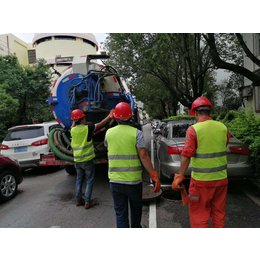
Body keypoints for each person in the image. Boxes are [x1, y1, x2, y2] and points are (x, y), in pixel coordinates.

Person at [171, 97, 231, 228]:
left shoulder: (194, 130)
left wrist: (180, 176)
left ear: (196, 113)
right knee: (219, 213)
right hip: (221, 180)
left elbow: (186, 155)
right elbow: (223, 145)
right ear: (209, 112)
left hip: (201, 182)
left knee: (199, 215)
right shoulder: (223, 128)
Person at [104, 102, 161, 228]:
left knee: (120, 213)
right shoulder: (137, 133)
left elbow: (109, 149)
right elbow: (143, 155)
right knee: (136, 208)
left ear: (116, 117)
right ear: (130, 117)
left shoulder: (108, 133)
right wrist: (153, 174)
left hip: (115, 181)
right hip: (133, 182)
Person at [71, 108, 114, 209]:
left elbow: (73, 124)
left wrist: (74, 119)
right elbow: (100, 124)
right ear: (81, 119)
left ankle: (78, 200)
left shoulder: (72, 130)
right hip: (87, 160)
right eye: (84, 117)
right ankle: (87, 201)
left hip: (77, 160)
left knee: (79, 180)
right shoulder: (88, 128)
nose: (85, 119)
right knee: (89, 180)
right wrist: (109, 116)